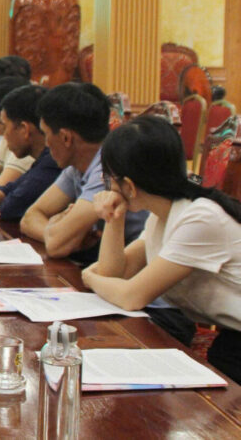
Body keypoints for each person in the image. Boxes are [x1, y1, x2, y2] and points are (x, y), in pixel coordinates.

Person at [81, 116, 241, 384]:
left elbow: (131, 296)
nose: (106, 186)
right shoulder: (161, 215)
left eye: (108, 178)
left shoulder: (199, 218)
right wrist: (114, 217)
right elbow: (115, 274)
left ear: (129, 186)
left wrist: (89, 277)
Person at [20, 82, 148, 263]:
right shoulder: (76, 166)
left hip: (139, 266)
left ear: (66, 137)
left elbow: (56, 246)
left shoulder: (109, 169)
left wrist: (60, 233)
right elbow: (30, 217)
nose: (46, 144)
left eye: (46, 134)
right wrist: (57, 230)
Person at [0, 85, 62, 222]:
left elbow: (11, 206)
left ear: (24, 129)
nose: (4, 136)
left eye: (5, 127)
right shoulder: (41, 158)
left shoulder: (52, 161)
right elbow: (9, 189)